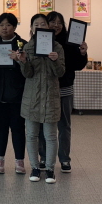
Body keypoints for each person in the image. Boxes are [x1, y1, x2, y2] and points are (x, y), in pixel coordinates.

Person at [16, 14, 65, 184]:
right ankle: (35, 167)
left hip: (50, 97)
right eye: (35, 25)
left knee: (50, 136)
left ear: (48, 27)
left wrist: (55, 60)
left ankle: (50, 169)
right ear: (31, 29)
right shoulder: (28, 47)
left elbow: (60, 72)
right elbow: (28, 74)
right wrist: (23, 62)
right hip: (32, 97)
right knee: (31, 135)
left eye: (42, 24)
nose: (39, 27)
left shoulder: (57, 47)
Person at [38, 11, 88, 173]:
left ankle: (65, 159)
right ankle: (43, 157)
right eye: (52, 22)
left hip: (64, 89)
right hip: (46, 89)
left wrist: (82, 53)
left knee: (64, 125)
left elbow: (78, 65)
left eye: (60, 22)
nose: (56, 25)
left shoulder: (71, 41)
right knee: (43, 124)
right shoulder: (41, 40)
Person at [0, 13, 28, 175]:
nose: (4, 28)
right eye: (1, 25)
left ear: (15, 27)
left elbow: (29, 69)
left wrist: (20, 60)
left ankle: (19, 161)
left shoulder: (22, 44)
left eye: (8, 25)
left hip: (18, 94)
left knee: (18, 128)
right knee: (0, 128)